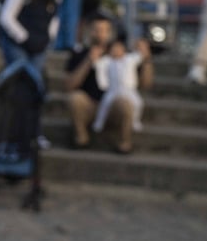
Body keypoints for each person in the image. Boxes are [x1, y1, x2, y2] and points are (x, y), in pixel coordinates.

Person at [64, 13, 153, 154]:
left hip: (114, 104)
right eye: (96, 30)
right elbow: (69, 86)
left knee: (126, 103)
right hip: (91, 105)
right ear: (89, 31)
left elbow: (146, 84)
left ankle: (124, 142)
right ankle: (81, 138)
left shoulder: (122, 55)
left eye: (104, 30)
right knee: (75, 99)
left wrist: (146, 58)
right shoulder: (80, 53)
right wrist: (88, 61)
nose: (100, 34)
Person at [0, 0, 74, 96]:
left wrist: (48, 38)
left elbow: (54, 19)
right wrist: (25, 37)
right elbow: (6, 17)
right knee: (19, 80)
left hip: (39, 45)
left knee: (35, 83)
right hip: (16, 43)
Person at [91, 39, 146, 135]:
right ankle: (99, 123)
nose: (116, 51)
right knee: (104, 105)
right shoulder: (107, 60)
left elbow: (141, 56)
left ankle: (135, 121)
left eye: (119, 48)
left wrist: (140, 46)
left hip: (129, 89)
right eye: (114, 48)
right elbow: (97, 64)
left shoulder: (130, 59)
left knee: (138, 103)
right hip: (113, 89)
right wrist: (95, 55)